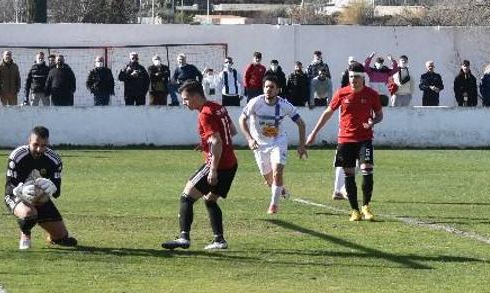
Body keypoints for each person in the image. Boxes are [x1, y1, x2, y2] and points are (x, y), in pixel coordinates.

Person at [161, 81, 237, 251]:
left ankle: (183, 238)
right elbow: (231, 131)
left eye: (186, 99)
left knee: (186, 197)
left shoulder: (205, 114)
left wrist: (213, 169)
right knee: (210, 200)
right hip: (231, 163)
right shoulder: (218, 107)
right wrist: (205, 142)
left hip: (218, 164)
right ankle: (219, 240)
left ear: (196, 97)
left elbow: (217, 141)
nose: (184, 103)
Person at [307, 64, 383, 221]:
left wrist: (372, 121)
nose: (353, 79)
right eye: (350, 76)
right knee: (348, 174)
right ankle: (355, 210)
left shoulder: (372, 94)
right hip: (346, 139)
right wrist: (314, 132)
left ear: (363, 77)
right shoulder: (341, 93)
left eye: (355, 76)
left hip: (364, 138)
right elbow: (328, 112)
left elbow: (380, 115)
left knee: (366, 169)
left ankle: (366, 206)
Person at [239, 75, 308, 214]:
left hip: (278, 141)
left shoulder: (284, 105)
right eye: (266, 87)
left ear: (278, 90)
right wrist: (250, 139)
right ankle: (280, 189)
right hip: (259, 144)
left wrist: (301, 145)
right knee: (269, 178)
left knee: (278, 171)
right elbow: (242, 119)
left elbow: (301, 123)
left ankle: (273, 205)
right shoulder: (255, 103)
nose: (268, 90)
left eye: (271, 87)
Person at [4, 125, 77, 250]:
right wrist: (21, 190)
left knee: (61, 237)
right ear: (29, 141)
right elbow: (10, 187)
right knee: (28, 214)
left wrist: (52, 186)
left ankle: (52, 237)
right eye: (35, 144)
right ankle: (25, 234)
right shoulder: (17, 156)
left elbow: (57, 193)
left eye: (44, 146)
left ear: (48, 143)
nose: (39, 149)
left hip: (40, 199)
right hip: (16, 197)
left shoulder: (54, 160)